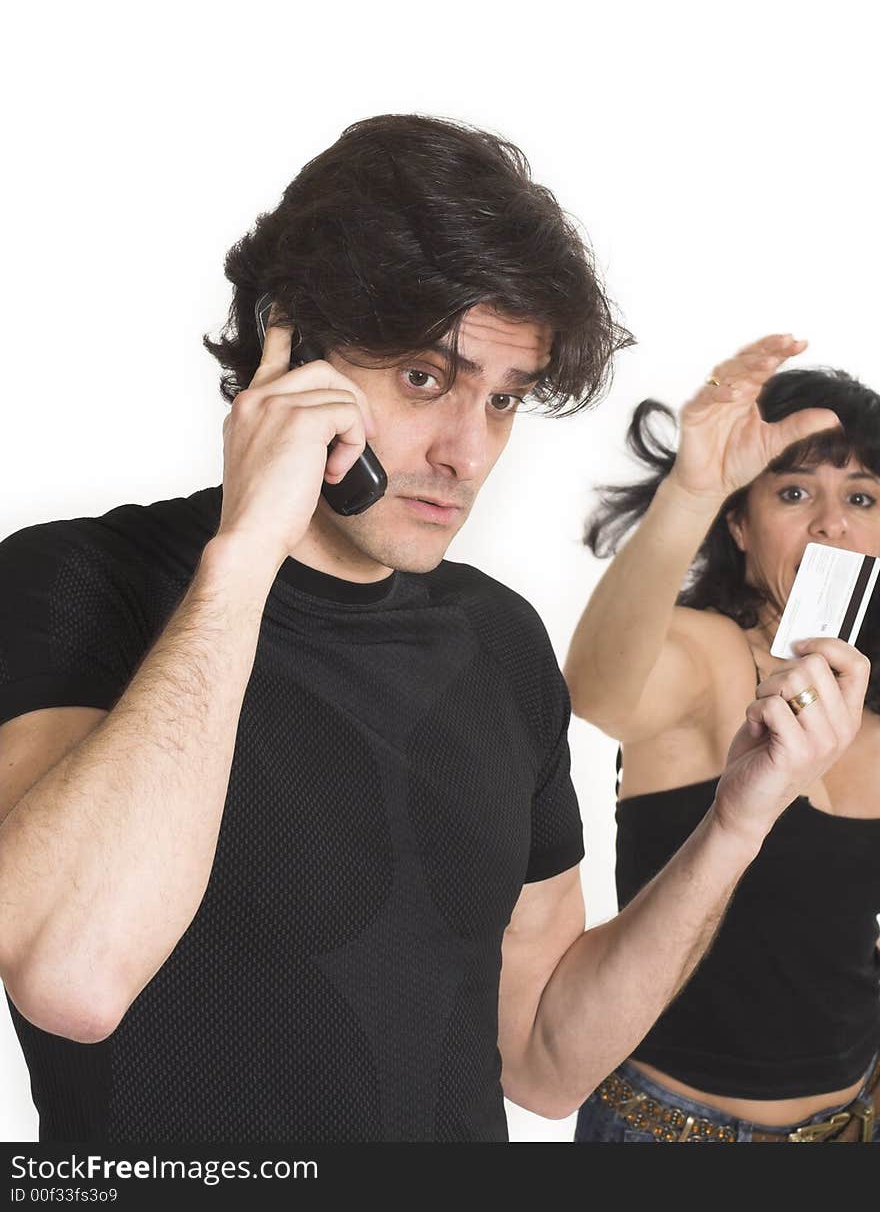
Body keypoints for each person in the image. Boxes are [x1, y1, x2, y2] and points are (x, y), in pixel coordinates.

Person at [0, 116, 868, 1143]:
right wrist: (244, 555)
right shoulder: (72, 580)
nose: (466, 453)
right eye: (425, 378)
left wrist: (736, 821)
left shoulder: (497, 641)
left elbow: (545, 1060)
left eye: (503, 400)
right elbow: (72, 977)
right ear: (292, 345)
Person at [565, 337, 880, 1142]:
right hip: (668, 1133)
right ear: (739, 523)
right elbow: (597, 692)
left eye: (863, 499)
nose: (832, 525)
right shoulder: (707, 654)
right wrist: (691, 487)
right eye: (795, 492)